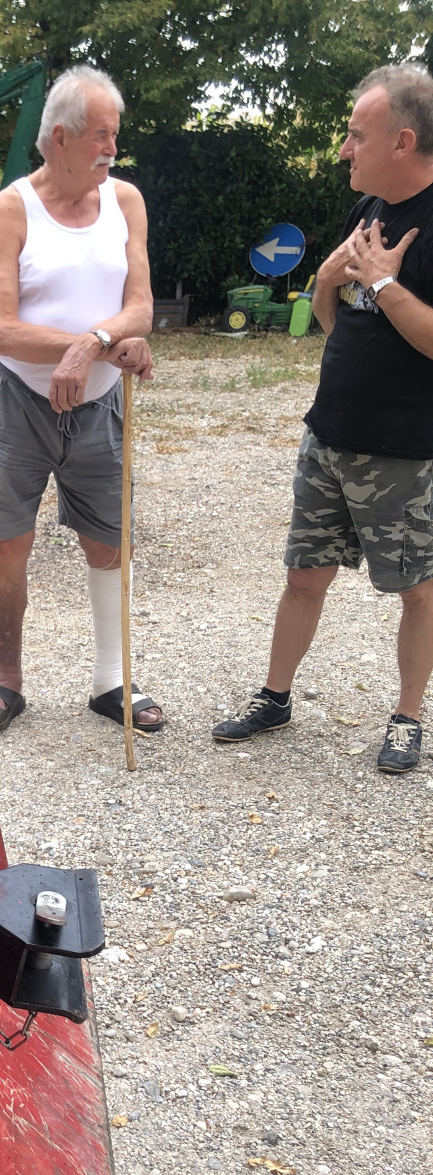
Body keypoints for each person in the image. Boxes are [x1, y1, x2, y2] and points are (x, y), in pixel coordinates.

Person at [214, 63, 433, 774]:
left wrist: (385, 282)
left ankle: (407, 719)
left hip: (404, 451)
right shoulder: (365, 210)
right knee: (304, 575)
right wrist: (326, 281)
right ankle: (274, 697)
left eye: (356, 135)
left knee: (418, 590)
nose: (344, 149)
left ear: (403, 141)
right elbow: (336, 323)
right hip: (329, 434)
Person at [0, 65, 156, 737]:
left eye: (115, 133)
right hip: (18, 398)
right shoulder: (11, 209)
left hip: (100, 403)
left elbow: (141, 306)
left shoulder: (125, 201)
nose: (113, 147)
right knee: (8, 544)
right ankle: (8, 681)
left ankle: (111, 680)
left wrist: (96, 344)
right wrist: (95, 345)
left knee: (108, 541)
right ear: (59, 138)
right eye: (101, 134)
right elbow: (3, 329)